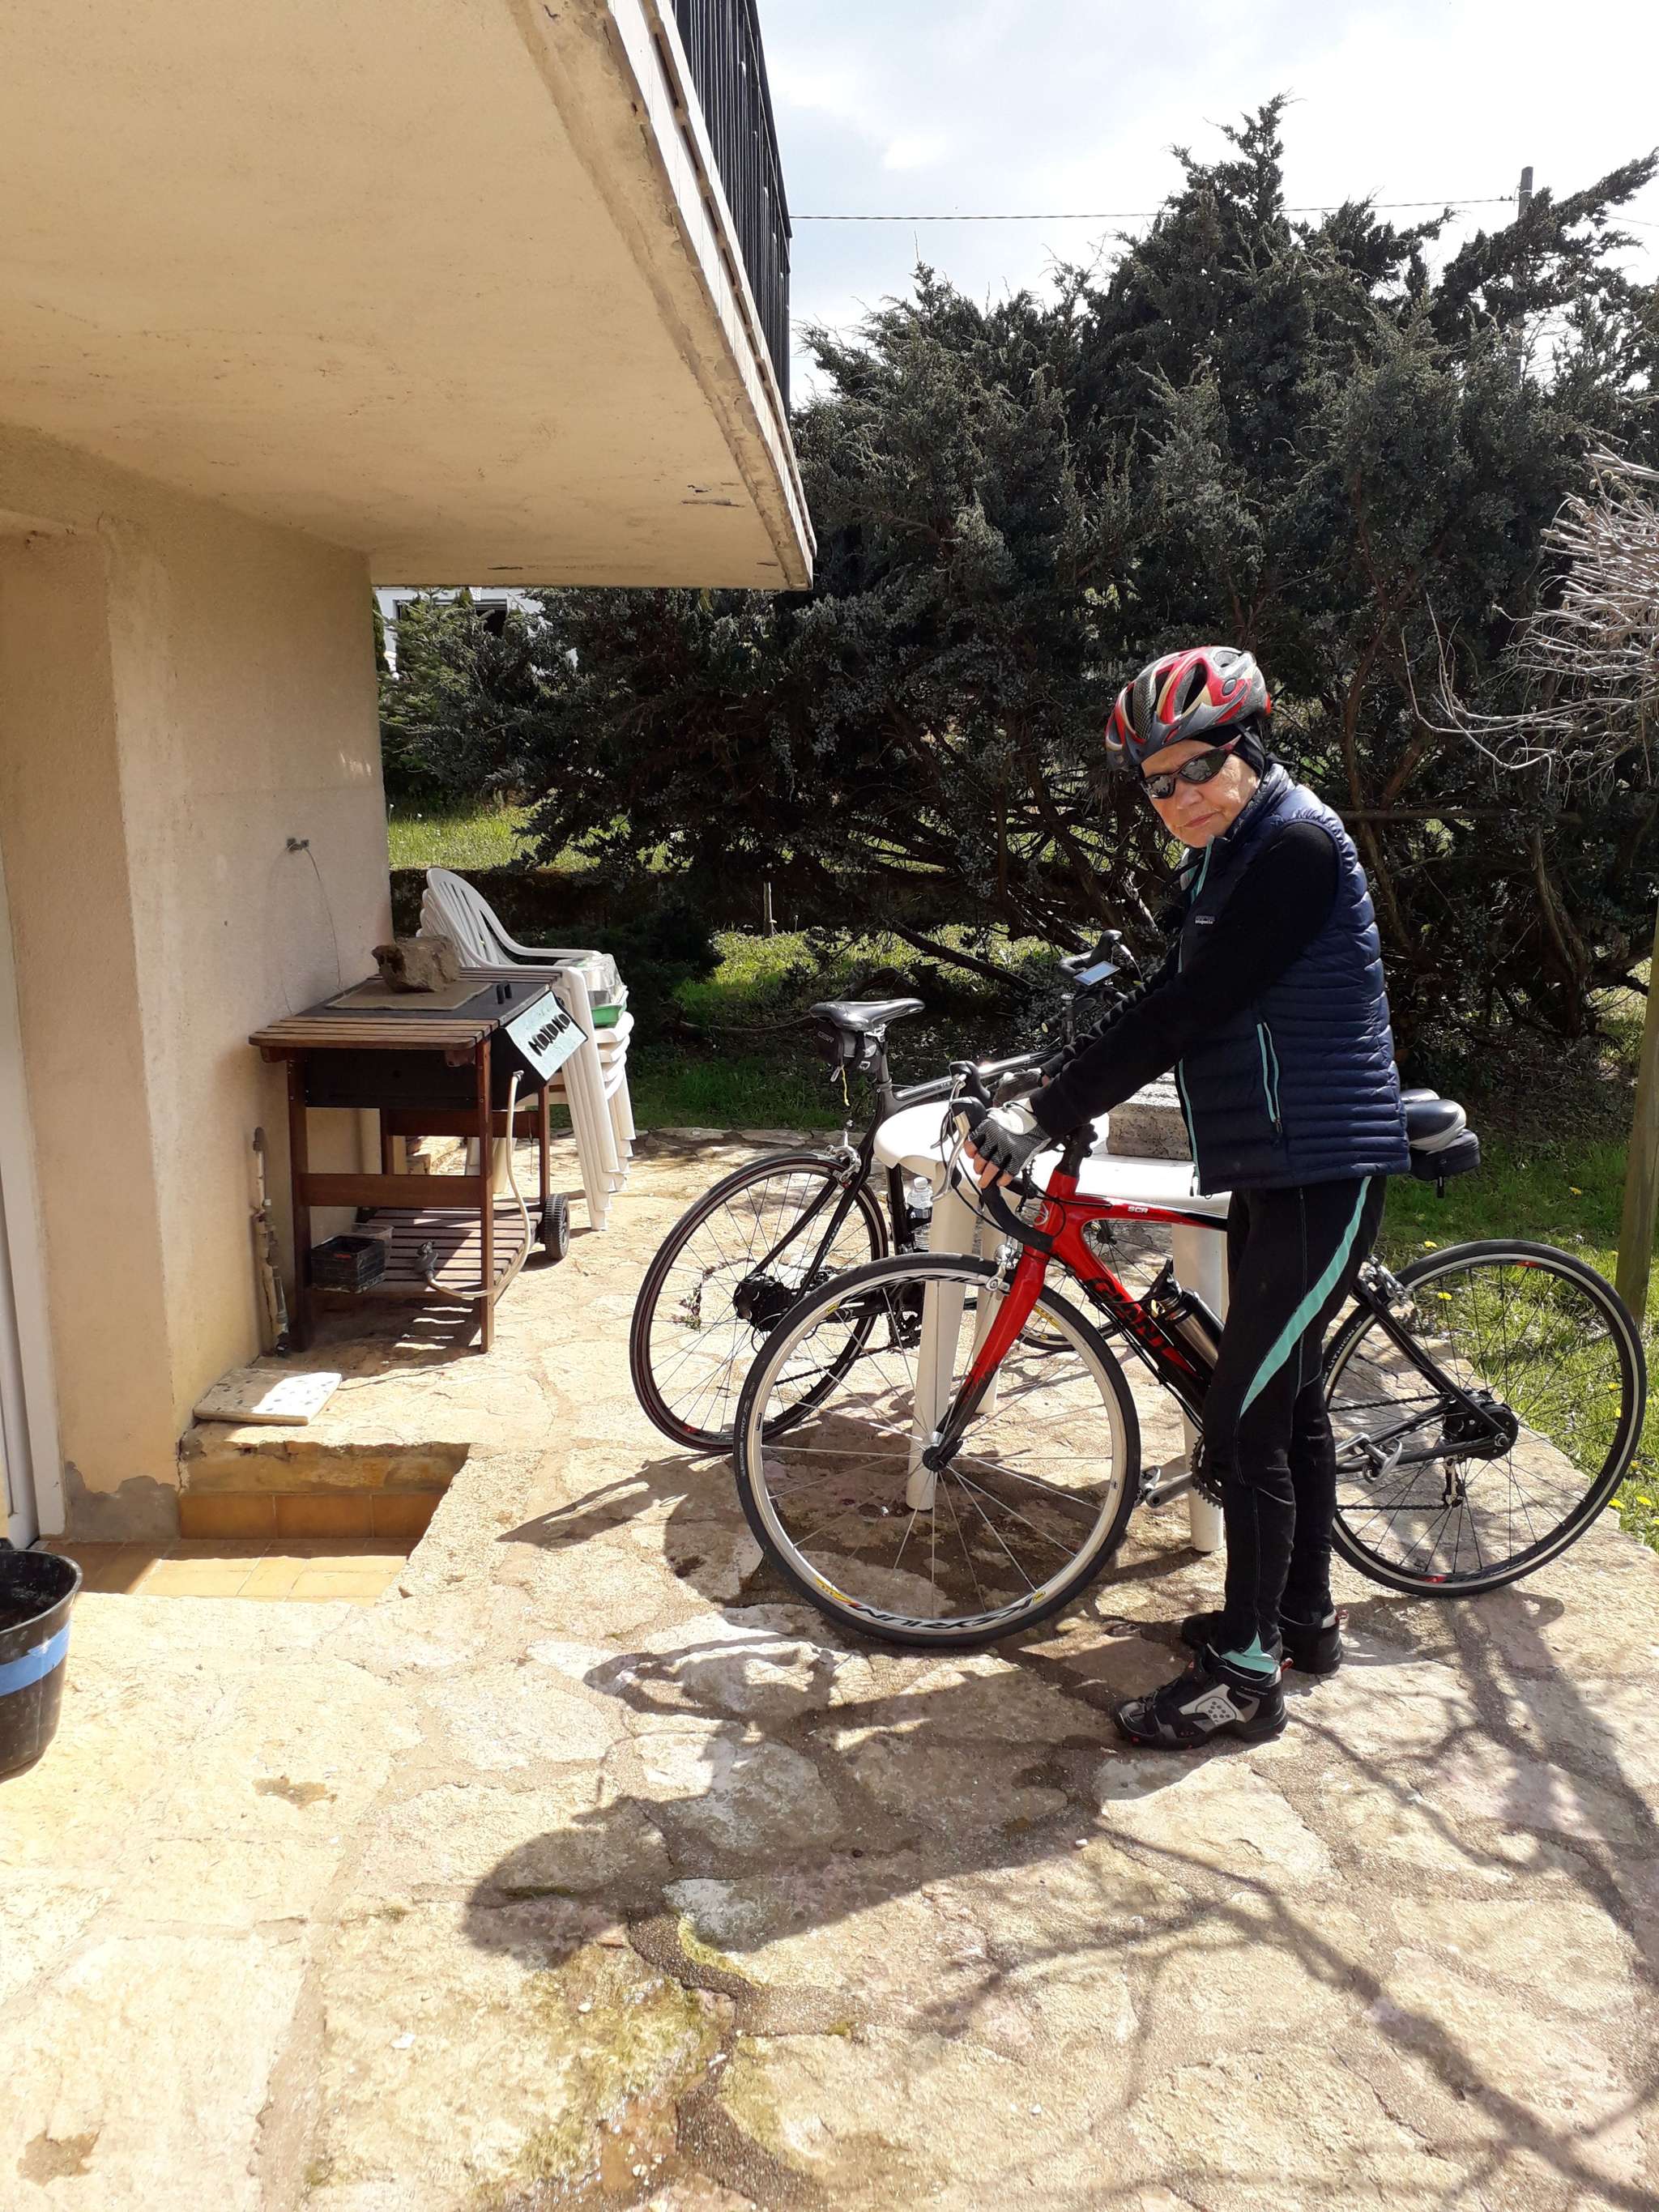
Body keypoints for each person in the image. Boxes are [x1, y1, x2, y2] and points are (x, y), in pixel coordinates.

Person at [964, 645, 1410, 1750]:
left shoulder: (1295, 846)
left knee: (1244, 1418)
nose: (1178, 797)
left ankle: (1247, 1681)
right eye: (1156, 783)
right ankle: (1302, 1621)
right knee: (1286, 1406)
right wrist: (1050, 1081)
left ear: (1249, 746)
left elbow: (1192, 1010)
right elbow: (1167, 992)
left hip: (1322, 1172)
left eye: (1197, 766)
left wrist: (1049, 1114)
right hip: (1273, 1169)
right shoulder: (1233, 855)